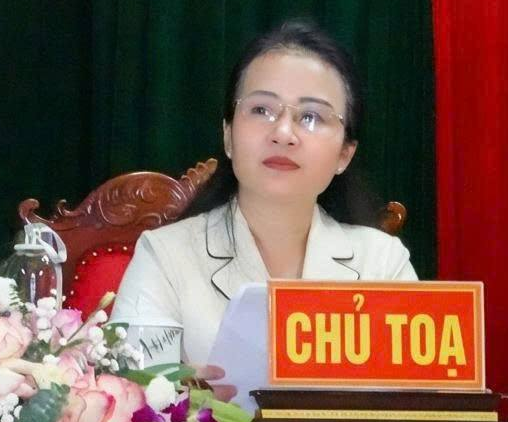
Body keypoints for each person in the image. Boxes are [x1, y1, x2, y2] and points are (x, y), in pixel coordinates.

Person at [111, 20, 416, 391]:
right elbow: (129, 398)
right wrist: (184, 398)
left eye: (311, 116)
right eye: (261, 110)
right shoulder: (164, 255)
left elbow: (410, 407)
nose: (283, 133)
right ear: (228, 135)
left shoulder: (382, 264)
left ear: (345, 154)